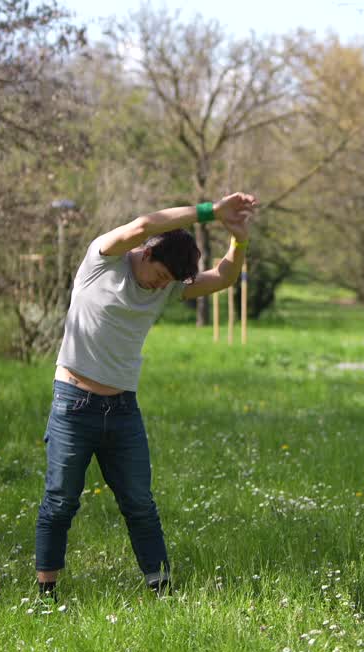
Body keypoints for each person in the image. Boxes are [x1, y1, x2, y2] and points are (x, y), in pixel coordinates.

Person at [35, 193, 257, 597]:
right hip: (74, 402)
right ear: (148, 251)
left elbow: (223, 278)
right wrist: (210, 212)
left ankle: (162, 590)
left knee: (140, 503)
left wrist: (238, 240)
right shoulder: (102, 260)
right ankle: (46, 596)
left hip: (122, 410)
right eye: (160, 273)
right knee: (61, 500)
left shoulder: (166, 289)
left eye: (170, 282)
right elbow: (142, 225)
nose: (160, 284)